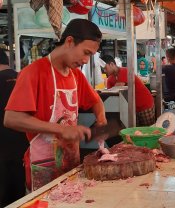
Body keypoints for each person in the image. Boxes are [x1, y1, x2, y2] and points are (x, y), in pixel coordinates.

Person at [4, 19, 107, 191]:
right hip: (43, 168)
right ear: (69, 41)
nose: (86, 60)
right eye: (86, 53)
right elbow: (11, 118)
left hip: (71, 166)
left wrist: (101, 118)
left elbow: (95, 100)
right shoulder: (33, 72)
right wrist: (61, 129)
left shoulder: (76, 76)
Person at [0, 49, 28, 206]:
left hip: (3, 150)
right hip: (26, 146)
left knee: (6, 197)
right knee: (22, 195)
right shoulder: (22, 77)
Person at [101, 55, 155, 126]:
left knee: (148, 132)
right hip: (132, 109)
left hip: (144, 105)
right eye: (103, 69)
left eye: (105, 68)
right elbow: (110, 95)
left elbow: (120, 86)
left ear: (112, 64)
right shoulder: (110, 80)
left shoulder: (126, 71)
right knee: (136, 133)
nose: (104, 71)